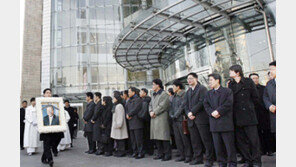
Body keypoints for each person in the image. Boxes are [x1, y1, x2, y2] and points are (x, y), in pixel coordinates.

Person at [228, 65, 261, 167]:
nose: (229, 73)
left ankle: (256, 162)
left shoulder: (248, 81)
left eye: (231, 71)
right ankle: (248, 161)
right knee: (241, 141)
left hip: (249, 116)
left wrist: (250, 107)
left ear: (237, 72)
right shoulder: (231, 84)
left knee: (253, 141)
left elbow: (255, 97)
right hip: (237, 117)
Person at [204, 74, 237, 167]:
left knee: (229, 145)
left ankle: (232, 163)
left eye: (211, 80)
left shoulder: (227, 91)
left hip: (225, 122)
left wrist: (218, 111)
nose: (209, 82)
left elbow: (229, 103)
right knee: (218, 146)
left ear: (217, 80)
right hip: (214, 123)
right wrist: (211, 112)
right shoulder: (208, 93)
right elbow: (206, 105)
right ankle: (221, 162)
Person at [183, 73, 215, 166]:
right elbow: (185, 104)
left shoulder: (202, 89)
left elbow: (202, 102)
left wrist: (192, 112)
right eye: (188, 79)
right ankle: (198, 158)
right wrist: (188, 113)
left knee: (206, 140)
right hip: (191, 120)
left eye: (191, 78)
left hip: (201, 119)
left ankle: (210, 159)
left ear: (196, 79)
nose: (189, 80)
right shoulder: (188, 91)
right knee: (195, 140)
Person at [249, 73, 273, 156]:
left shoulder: (263, 88)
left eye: (256, 78)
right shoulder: (249, 89)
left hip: (264, 113)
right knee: (258, 132)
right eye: (253, 78)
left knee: (267, 131)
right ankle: (261, 150)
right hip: (254, 114)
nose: (255, 80)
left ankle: (269, 149)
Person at [169, 79, 192, 163]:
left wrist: (175, 115)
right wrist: (171, 115)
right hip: (175, 120)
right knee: (178, 139)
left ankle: (188, 155)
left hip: (181, 119)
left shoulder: (183, 94)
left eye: (174, 86)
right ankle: (182, 155)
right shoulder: (174, 96)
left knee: (184, 138)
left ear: (178, 87)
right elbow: (170, 107)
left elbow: (182, 106)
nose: (173, 88)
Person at [40, 88, 64, 167]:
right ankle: (50, 160)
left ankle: (43, 158)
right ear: (44, 94)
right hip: (45, 129)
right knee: (46, 144)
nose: (49, 94)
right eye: (47, 93)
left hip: (54, 129)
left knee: (51, 144)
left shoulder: (55, 103)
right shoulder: (40, 103)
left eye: (50, 93)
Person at [150, 79, 172, 161]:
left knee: (164, 137)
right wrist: (150, 111)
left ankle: (167, 154)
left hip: (161, 118)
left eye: (153, 84)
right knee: (157, 137)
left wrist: (154, 112)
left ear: (158, 85)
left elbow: (163, 105)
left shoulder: (164, 94)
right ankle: (160, 153)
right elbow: (150, 105)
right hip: (154, 118)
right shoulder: (153, 94)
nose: (152, 86)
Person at [126, 87, 145, 159]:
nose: (128, 93)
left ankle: (141, 152)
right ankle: (135, 151)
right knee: (133, 139)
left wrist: (130, 114)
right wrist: (127, 114)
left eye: (129, 92)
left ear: (133, 92)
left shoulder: (138, 100)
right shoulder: (129, 100)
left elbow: (136, 108)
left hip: (137, 121)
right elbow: (126, 108)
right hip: (130, 121)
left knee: (138, 138)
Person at [263, 61, 276, 153]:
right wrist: (269, 105)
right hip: (274, 116)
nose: (270, 71)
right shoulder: (269, 84)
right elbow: (265, 97)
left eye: (272, 69)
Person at [111, 91, 128, 157]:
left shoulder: (119, 106)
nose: (113, 99)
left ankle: (121, 152)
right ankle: (119, 151)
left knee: (120, 139)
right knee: (118, 139)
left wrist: (118, 124)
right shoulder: (116, 105)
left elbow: (120, 117)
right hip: (116, 126)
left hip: (119, 126)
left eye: (114, 98)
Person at [139, 88, 154, 156]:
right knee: (145, 135)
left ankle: (149, 150)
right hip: (145, 119)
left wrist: (140, 116)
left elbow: (144, 110)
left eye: (141, 92)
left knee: (147, 135)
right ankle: (148, 149)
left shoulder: (147, 100)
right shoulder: (143, 100)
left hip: (146, 120)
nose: (140, 93)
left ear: (145, 93)